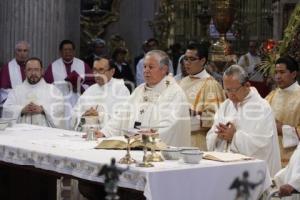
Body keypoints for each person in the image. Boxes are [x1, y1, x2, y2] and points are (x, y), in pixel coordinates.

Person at [98, 50, 191, 147]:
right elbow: (122, 115)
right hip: (134, 146)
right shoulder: (140, 90)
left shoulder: (174, 93)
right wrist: (105, 132)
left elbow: (171, 124)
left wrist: (150, 135)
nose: (146, 70)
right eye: (145, 66)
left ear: (164, 69)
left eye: (150, 67)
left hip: (159, 154)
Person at [206, 65, 281, 177]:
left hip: (250, 175)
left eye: (234, 90)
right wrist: (218, 135)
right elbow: (211, 135)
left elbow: (263, 145)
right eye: (227, 90)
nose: (231, 95)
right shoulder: (226, 105)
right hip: (224, 170)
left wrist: (234, 137)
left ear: (247, 85)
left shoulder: (261, 107)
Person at [179, 43, 225, 150]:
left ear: (202, 61)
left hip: (198, 142)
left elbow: (217, 118)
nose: (187, 63)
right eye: (185, 59)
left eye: (191, 59)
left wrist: (193, 114)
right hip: (180, 138)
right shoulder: (181, 82)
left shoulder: (211, 85)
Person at [2, 57, 65, 128]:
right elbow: (7, 109)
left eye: (36, 69)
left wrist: (43, 109)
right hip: (21, 134)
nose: (33, 73)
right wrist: (21, 110)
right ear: (25, 72)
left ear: (42, 71)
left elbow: (60, 108)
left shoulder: (53, 90)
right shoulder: (16, 91)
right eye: (29, 70)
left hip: (45, 134)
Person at [44, 40, 94, 128]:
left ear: (74, 51)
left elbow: (91, 84)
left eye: (70, 50)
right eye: (65, 50)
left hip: (78, 102)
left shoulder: (83, 65)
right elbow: (46, 86)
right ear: (60, 52)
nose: (67, 52)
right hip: (60, 104)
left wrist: (80, 87)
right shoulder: (52, 67)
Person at [71, 57, 130, 130]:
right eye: (94, 70)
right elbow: (74, 113)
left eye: (101, 70)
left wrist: (99, 116)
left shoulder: (121, 91)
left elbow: (122, 119)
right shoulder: (90, 90)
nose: (97, 74)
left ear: (112, 71)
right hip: (86, 135)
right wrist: (83, 115)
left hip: (108, 138)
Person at [265, 56, 300, 166]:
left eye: (282, 72)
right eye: (276, 72)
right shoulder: (271, 96)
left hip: (293, 158)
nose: (278, 77)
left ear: (294, 74)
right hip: (271, 155)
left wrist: (283, 130)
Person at [0, 41, 30, 114]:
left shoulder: (32, 67)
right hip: (14, 108)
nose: (22, 53)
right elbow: (3, 91)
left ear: (28, 52)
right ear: (15, 52)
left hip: (31, 105)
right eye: (19, 50)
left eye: (25, 51)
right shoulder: (7, 68)